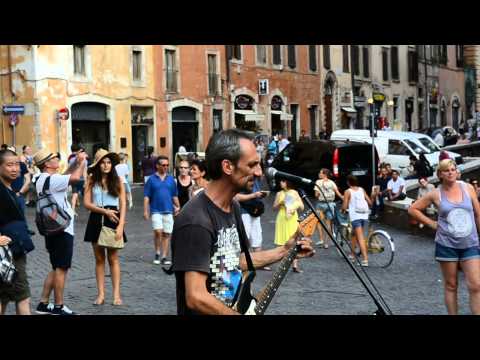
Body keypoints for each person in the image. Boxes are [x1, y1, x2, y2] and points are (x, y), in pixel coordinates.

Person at [170, 129, 314, 315]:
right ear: (227, 166)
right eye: (252, 165)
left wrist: (285, 250)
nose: (259, 172)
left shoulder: (233, 207)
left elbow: (235, 261)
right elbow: (195, 296)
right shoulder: (196, 220)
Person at [409, 159, 480, 315]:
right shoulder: (435, 193)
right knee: (451, 284)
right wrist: (432, 224)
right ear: (440, 174)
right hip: (447, 245)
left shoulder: (468, 188)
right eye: (447, 170)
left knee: (476, 285)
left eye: (453, 169)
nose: (451, 172)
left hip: (470, 243)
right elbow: (413, 209)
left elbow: (478, 213)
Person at [34, 148, 87, 315]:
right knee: (62, 268)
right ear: (47, 164)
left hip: (51, 227)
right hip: (63, 227)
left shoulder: (40, 178)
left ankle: (43, 303)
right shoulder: (54, 179)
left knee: (56, 266)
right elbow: (76, 178)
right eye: (54, 157)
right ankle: (59, 306)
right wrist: (82, 162)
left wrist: (74, 164)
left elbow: (65, 175)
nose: (57, 158)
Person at [84, 149, 127, 306]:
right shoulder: (91, 179)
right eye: (102, 162)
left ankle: (116, 295)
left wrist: (121, 225)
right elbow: (87, 204)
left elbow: (123, 203)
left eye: (109, 162)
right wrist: (104, 211)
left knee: (113, 258)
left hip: (114, 219)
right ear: (97, 164)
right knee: (99, 259)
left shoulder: (118, 180)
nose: (106, 165)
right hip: (96, 218)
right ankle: (101, 294)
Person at [0, 149, 33, 315]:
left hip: (15, 251)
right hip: (6, 254)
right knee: (23, 297)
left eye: (17, 165)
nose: (14, 169)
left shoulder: (10, 189)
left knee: (3, 299)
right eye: (9, 165)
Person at [144, 155, 180, 266]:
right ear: (157, 166)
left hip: (168, 210)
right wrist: (146, 210)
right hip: (155, 210)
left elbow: (174, 195)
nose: (165, 167)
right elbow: (146, 196)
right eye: (163, 165)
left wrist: (178, 207)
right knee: (158, 231)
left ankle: (164, 256)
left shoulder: (171, 180)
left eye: (167, 165)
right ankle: (157, 252)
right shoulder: (151, 179)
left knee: (166, 234)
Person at [234, 176, 268, 269]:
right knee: (245, 238)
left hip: (255, 211)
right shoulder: (242, 178)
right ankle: (242, 262)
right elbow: (236, 197)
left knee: (257, 237)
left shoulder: (257, 179)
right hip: (243, 212)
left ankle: (260, 263)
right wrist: (254, 195)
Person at [274, 179, 305, 273]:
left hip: (292, 218)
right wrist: (281, 203)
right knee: (281, 241)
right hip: (282, 217)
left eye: (282, 181)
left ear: (287, 182)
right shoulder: (279, 193)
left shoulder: (294, 192)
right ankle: (281, 265)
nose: (281, 183)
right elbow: (274, 207)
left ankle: (295, 265)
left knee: (294, 240)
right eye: (281, 181)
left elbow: (302, 207)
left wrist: (294, 205)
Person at [342, 175, 372, 267]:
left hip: (356, 216)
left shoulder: (348, 191)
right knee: (354, 235)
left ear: (348, 182)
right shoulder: (362, 190)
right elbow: (370, 202)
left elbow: (345, 206)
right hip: (364, 215)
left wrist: (342, 209)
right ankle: (352, 255)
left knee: (360, 238)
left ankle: (365, 259)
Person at [314, 168, 343, 248]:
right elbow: (338, 193)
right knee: (329, 224)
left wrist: (320, 194)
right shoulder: (332, 182)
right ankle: (326, 243)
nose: (319, 174)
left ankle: (321, 239)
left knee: (319, 222)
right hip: (330, 204)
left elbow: (316, 195)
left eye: (320, 173)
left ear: (324, 174)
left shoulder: (318, 182)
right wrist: (344, 198)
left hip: (321, 204)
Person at [68, 144, 88, 216]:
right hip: (81, 179)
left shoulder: (71, 160)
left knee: (74, 195)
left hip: (74, 179)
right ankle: (89, 208)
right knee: (86, 194)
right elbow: (85, 171)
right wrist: (86, 180)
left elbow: (70, 169)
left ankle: (73, 210)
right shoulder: (85, 161)